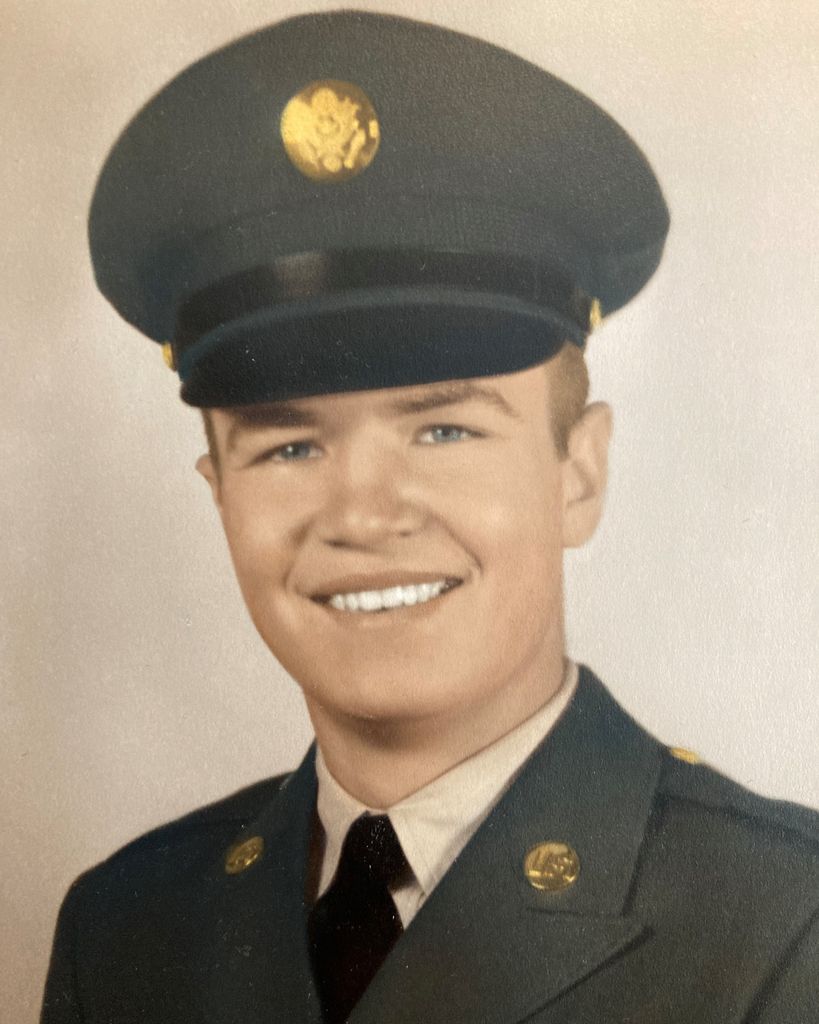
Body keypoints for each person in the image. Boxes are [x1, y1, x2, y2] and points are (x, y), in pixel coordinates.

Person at [41, 10, 818, 1023]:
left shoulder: (782, 923)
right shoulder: (126, 929)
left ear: (577, 473)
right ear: (219, 492)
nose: (363, 514)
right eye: (288, 446)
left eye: (444, 429)